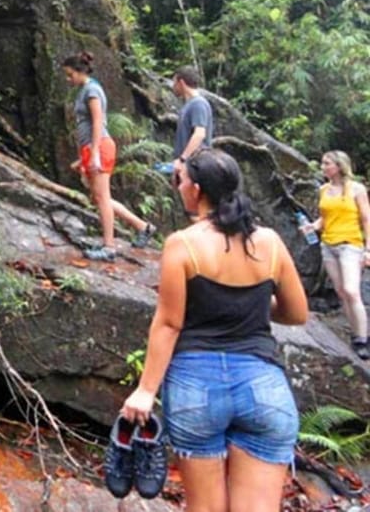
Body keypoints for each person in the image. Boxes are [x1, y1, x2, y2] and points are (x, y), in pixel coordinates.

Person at [121, 148, 308, 511]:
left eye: (181, 180)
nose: (179, 186)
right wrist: (250, 305)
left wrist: (146, 391)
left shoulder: (183, 244)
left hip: (196, 387)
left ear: (195, 189)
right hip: (263, 386)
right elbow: (298, 313)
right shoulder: (268, 242)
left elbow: (170, 323)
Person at [64, 51, 155, 261]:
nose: (69, 80)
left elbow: (98, 122)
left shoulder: (92, 90)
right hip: (92, 148)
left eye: (70, 75)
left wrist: (94, 154)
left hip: (100, 147)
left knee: (102, 198)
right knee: (99, 197)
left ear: (80, 71)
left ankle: (109, 247)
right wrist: (83, 157)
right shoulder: (85, 89)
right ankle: (143, 227)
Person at [299, 150, 370, 360]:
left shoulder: (356, 189)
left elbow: (366, 219)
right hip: (328, 244)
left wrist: (368, 249)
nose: (323, 167)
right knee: (341, 291)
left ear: (339, 166)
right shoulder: (323, 189)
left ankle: (362, 339)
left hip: (350, 244)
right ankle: (357, 332)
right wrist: (312, 226)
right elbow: (324, 218)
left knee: (351, 290)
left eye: (326, 164)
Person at [170, 66, 214, 184]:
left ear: (182, 82)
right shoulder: (188, 105)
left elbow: (199, 134)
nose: (173, 86)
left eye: (174, 82)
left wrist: (182, 160)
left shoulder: (198, 104)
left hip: (196, 165)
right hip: (188, 166)